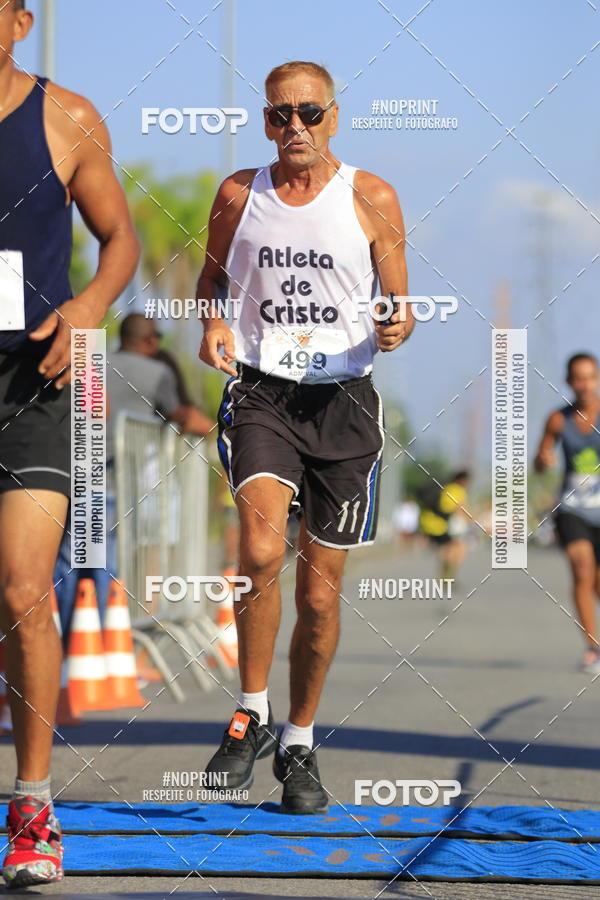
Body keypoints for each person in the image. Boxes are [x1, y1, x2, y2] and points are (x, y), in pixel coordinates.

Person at [197, 60, 413, 814]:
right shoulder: (239, 194)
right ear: (265, 121)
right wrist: (214, 322)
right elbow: (211, 280)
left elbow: (399, 300)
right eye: (280, 114)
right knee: (260, 551)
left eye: (309, 113)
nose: (295, 127)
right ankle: (251, 712)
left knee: (319, 597)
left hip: (345, 405)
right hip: (263, 393)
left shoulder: (372, 195)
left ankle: (298, 740)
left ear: (333, 117)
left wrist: (397, 323)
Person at [0, 2, 139, 885]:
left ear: (20, 22)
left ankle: (32, 807)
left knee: (23, 588)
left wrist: (88, 307)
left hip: (32, 383)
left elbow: (119, 238)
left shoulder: (66, 117)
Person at [53, 313, 213, 641]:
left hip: (74, 475)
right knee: (105, 564)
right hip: (115, 481)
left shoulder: (93, 363)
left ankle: (63, 643)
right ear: (150, 340)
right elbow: (183, 415)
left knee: (69, 562)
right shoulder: (158, 372)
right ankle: (99, 643)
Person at [535, 353, 600, 673]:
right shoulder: (558, 419)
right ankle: (593, 648)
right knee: (582, 569)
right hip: (572, 508)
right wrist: (543, 460)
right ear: (569, 382)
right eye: (578, 378)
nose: (585, 385)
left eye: (590, 377)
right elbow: (539, 458)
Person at [419, 471, 471, 580]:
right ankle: (448, 575)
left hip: (436, 524)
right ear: (462, 480)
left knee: (447, 548)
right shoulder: (458, 490)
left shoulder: (446, 488)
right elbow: (459, 509)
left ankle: (445, 575)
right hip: (448, 525)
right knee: (459, 548)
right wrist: (472, 520)